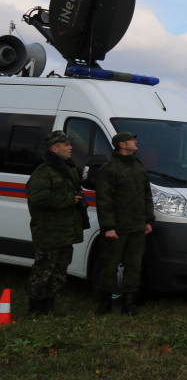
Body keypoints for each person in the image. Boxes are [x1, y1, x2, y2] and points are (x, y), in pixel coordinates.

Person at [26, 130, 90, 316]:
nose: (71, 148)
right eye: (66, 145)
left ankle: (49, 307)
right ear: (55, 149)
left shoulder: (68, 168)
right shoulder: (43, 172)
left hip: (65, 231)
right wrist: (69, 199)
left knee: (59, 272)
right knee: (43, 271)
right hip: (48, 232)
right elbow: (37, 198)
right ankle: (35, 309)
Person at [94, 132, 154, 316]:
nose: (135, 142)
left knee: (134, 265)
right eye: (131, 140)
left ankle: (128, 304)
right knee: (110, 265)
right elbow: (104, 200)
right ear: (122, 144)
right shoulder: (109, 168)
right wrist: (108, 226)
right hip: (117, 228)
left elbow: (146, 195)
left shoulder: (138, 167)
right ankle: (105, 303)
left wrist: (148, 220)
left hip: (137, 226)